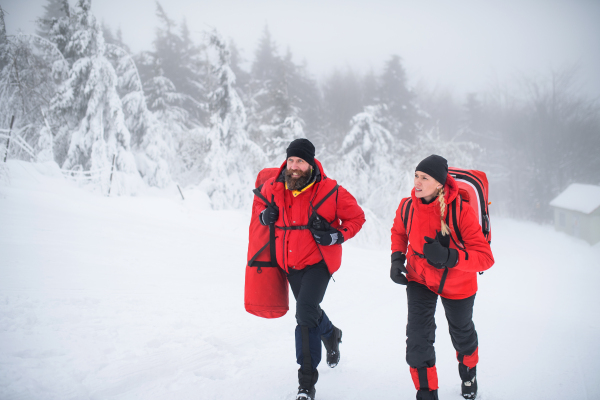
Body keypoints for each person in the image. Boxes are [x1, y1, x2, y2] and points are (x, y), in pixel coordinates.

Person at [255, 138, 365, 400]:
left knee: (304, 313)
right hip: (289, 264)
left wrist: (335, 236)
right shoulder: (274, 186)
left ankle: (306, 383)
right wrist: (264, 216)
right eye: (291, 160)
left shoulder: (330, 191)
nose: (294, 166)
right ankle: (332, 334)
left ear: (311, 163)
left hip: (318, 263)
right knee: (310, 310)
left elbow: (357, 218)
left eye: (300, 161)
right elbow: (259, 204)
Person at [390, 155, 494, 400]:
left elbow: (485, 257)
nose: (417, 181)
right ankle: (427, 393)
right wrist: (396, 258)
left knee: (462, 333)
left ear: (439, 184)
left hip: (458, 283)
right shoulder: (407, 206)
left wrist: (450, 257)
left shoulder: (461, 211)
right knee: (417, 337)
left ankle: (468, 374)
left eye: (424, 177)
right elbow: (398, 231)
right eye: (416, 175)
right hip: (420, 278)